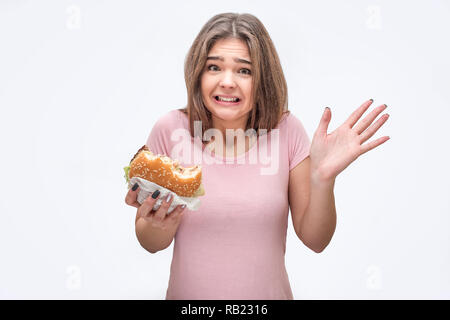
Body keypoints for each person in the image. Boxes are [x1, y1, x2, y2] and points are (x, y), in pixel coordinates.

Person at [124, 13, 390, 300]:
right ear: (198, 73)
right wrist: (156, 223)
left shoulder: (287, 131)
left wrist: (323, 179)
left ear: (263, 79)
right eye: (214, 67)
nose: (227, 82)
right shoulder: (170, 129)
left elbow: (316, 240)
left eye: (244, 71)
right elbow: (151, 243)